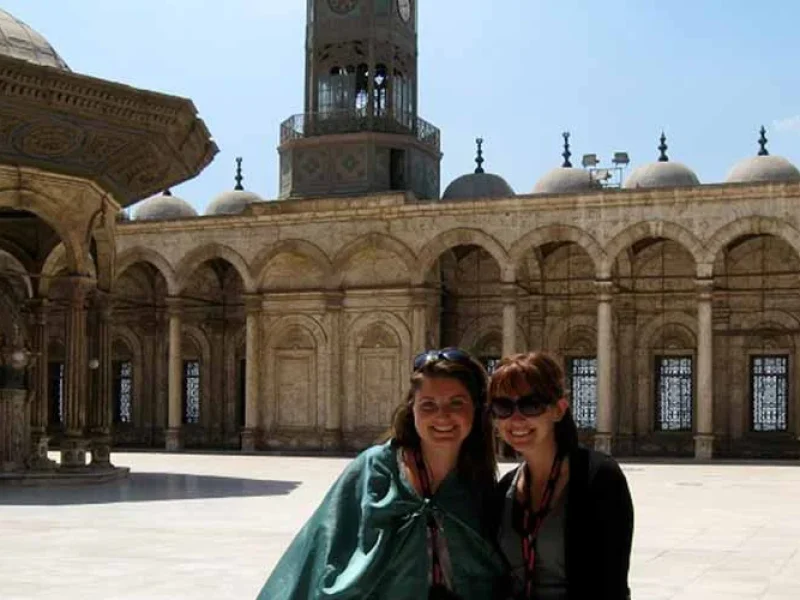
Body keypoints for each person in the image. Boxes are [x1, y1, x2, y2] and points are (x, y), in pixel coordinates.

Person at [256, 347, 508, 600]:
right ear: (412, 409)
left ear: (475, 409)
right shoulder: (376, 469)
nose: (442, 416)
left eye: (456, 403)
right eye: (428, 405)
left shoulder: (477, 479)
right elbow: (322, 551)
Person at [488, 352, 633, 600]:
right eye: (503, 407)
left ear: (559, 410)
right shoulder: (504, 489)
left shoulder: (598, 478)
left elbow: (610, 586)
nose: (516, 419)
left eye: (530, 405)